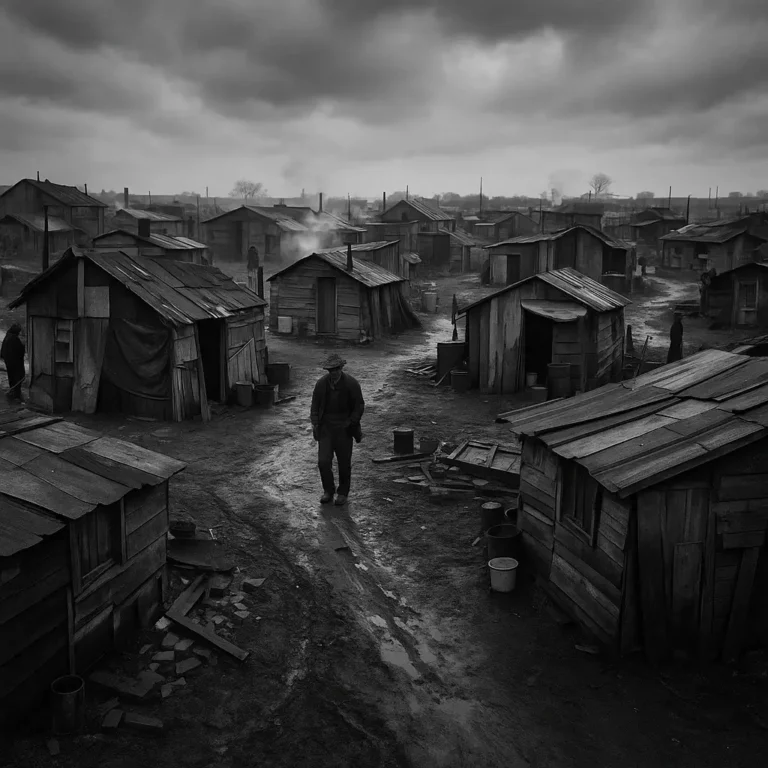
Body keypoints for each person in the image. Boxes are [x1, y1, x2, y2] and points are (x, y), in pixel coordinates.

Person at [310, 353, 364, 506]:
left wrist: (351, 422)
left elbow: (359, 406)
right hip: (326, 428)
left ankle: (342, 493)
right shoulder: (321, 384)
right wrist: (315, 422)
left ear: (341, 368)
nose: (333, 373)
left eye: (335, 369)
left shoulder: (351, 384)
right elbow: (315, 405)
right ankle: (328, 490)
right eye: (330, 370)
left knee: (344, 462)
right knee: (323, 461)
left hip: (344, 428)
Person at [1, 323, 26, 401]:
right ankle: (16, 395)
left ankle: (13, 392)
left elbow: (2, 352)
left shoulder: (7, 336)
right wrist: (23, 345)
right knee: (18, 378)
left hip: (9, 362)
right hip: (16, 363)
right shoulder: (14, 339)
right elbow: (21, 351)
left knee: (12, 378)